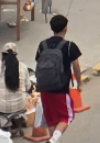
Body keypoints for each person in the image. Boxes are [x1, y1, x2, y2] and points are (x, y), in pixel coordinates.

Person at [35, 15, 82, 143]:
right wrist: (79, 84)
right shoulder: (69, 46)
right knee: (66, 117)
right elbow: (76, 66)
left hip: (44, 88)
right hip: (60, 89)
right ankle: (54, 139)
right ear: (66, 28)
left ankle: (53, 139)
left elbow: (39, 63)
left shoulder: (42, 45)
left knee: (51, 118)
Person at [0, 43, 35, 118]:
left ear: (2, 54)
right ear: (16, 55)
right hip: (19, 106)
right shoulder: (23, 67)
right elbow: (28, 87)